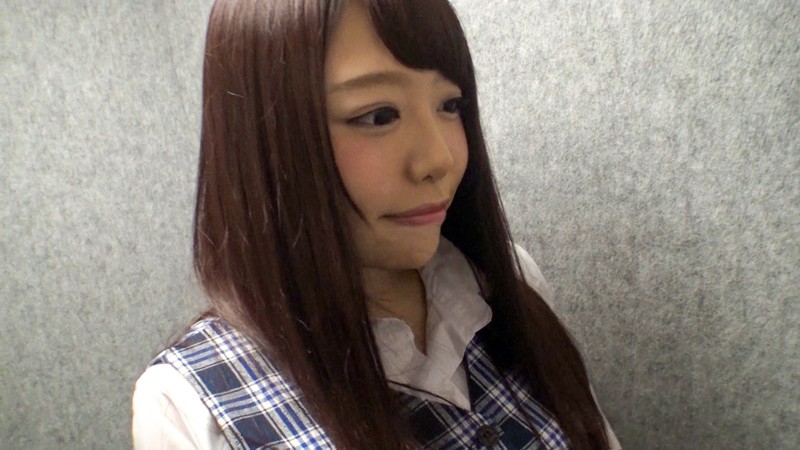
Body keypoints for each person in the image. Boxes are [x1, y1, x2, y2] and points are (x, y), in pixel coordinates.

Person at [132, 0, 622, 448]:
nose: (439, 159)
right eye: (379, 115)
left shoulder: (509, 282)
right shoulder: (191, 405)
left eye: (450, 105)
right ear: (264, 141)